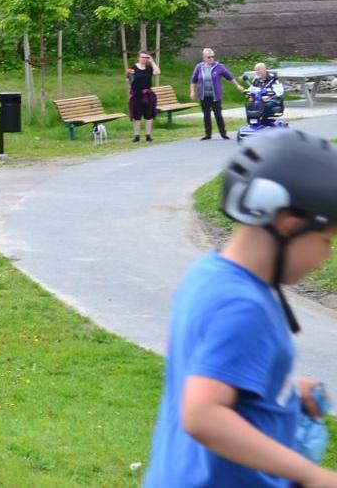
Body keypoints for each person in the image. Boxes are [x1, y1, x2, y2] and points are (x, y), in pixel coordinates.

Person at [144, 130, 337, 487]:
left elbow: (213, 366)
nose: (326, 256)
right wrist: (311, 475)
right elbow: (203, 414)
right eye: (325, 240)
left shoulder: (210, 274)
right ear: (288, 225)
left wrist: (283, 391)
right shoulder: (243, 306)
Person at [190, 48, 245, 141]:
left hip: (215, 96)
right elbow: (193, 80)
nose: (211, 58)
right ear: (204, 58)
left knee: (218, 115)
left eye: (212, 57)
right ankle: (208, 134)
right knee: (206, 115)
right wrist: (192, 92)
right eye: (209, 57)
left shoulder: (219, 66)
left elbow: (230, 77)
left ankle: (223, 133)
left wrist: (237, 86)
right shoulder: (199, 67)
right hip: (204, 95)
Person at [127, 50, 161, 143]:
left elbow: (157, 72)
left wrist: (152, 61)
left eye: (146, 57)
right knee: (137, 116)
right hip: (137, 95)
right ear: (139, 57)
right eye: (142, 57)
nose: (144, 59)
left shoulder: (149, 67)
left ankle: (148, 135)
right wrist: (130, 75)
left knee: (148, 115)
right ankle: (137, 135)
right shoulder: (133, 68)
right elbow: (130, 81)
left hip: (148, 94)